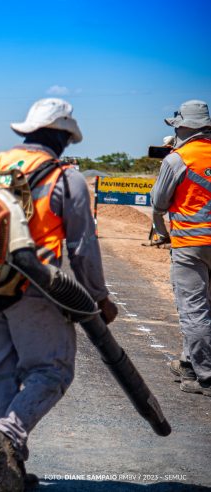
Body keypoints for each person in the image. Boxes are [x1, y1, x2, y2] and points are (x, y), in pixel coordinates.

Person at [0, 98, 118, 491]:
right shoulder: (68, 179)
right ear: (61, 136)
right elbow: (82, 248)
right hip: (34, 288)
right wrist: (98, 298)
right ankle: (9, 433)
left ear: (28, 131)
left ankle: (9, 467)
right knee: (52, 370)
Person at [151, 100, 211, 397]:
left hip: (189, 244)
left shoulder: (177, 159)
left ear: (184, 126)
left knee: (194, 310)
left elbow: (159, 204)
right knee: (205, 309)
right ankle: (188, 364)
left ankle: (205, 377)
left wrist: (162, 235)